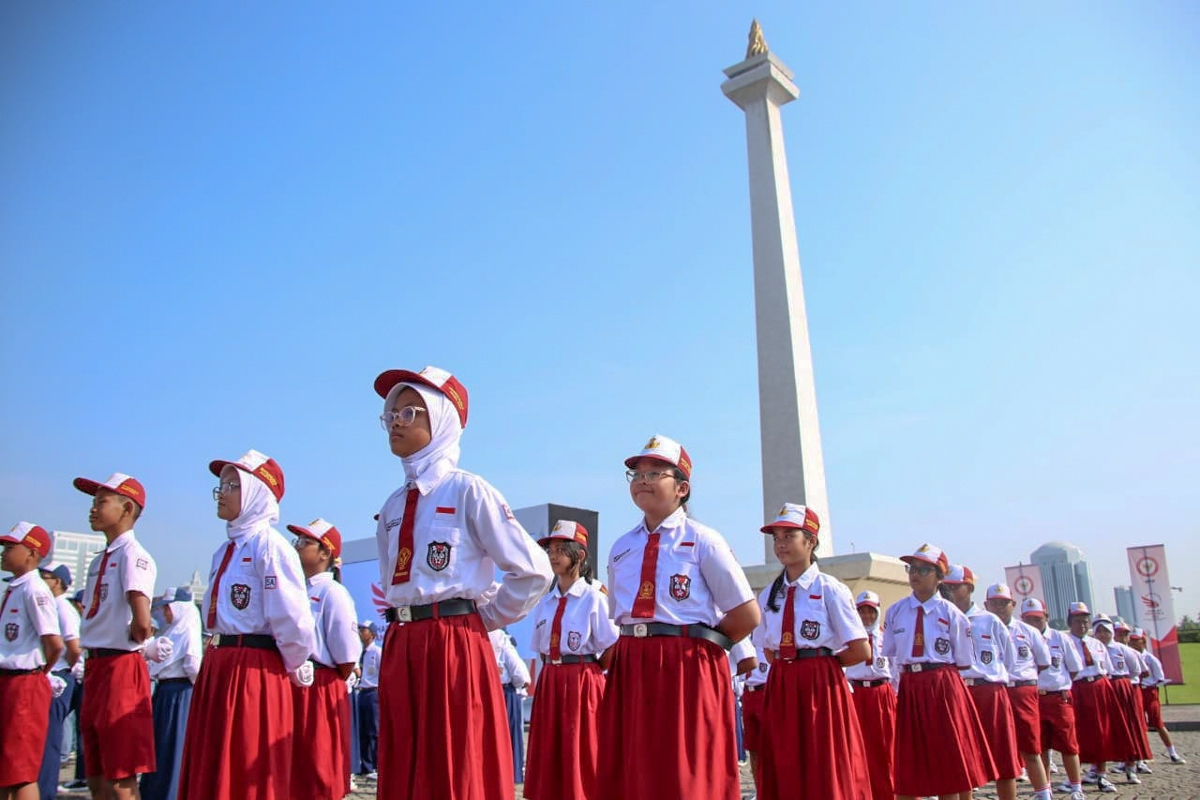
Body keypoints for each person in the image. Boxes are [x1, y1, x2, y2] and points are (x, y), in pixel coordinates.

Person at [371, 366, 552, 799]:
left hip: (452, 643)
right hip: (402, 643)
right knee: (403, 762)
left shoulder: (469, 491)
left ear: (442, 420)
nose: (396, 421)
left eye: (410, 412)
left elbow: (532, 570)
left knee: (455, 761)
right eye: (391, 414)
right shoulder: (393, 504)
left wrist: (481, 620)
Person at [598, 435, 759, 800]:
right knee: (633, 766)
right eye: (636, 473)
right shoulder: (621, 547)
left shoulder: (704, 540)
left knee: (686, 770)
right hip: (632, 663)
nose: (643, 480)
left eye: (656, 472)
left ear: (682, 487)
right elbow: (617, 616)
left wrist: (701, 647)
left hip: (687, 663)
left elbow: (746, 613)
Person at [178, 449, 316, 800]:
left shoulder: (271, 547)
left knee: (244, 766)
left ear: (257, 492)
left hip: (253, 667)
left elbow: (293, 620)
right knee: (212, 765)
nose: (221, 493)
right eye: (221, 485)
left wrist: (292, 663)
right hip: (219, 665)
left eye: (232, 485)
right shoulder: (224, 550)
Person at [756, 503, 870, 799]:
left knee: (825, 761)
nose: (780, 544)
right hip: (782, 684)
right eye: (776, 538)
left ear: (810, 541)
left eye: (789, 536)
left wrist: (823, 665)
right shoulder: (769, 594)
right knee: (785, 760)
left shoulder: (830, 588)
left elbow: (860, 648)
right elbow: (767, 647)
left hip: (821, 684)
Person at [882, 544, 995, 800]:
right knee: (910, 760)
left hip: (943, 686)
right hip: (911, 685)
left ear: (939, 577)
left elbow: (963, 658)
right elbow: (891, 652)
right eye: (912, 568)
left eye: (924, 569)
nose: (915, 574)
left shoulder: (951, 613)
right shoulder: (895, 612)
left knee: (949, 758)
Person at [73, 472, 159, 800]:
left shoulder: (132, 556)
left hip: (120, 667)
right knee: (95, 771)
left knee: (121, 775)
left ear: (126, 509)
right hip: (96, 666)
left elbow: (141, 622)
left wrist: (138, 633)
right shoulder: (101, 559)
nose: (93, 509)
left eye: (101, 502)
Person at [524, 520, 618, 800]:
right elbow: (541, 648)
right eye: (550, 549)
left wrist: (591, 670)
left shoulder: (594, 596)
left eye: (561, 549)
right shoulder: (546, 600)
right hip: (551, 680)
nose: (553, 556)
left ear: (579, 555)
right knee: (551, 750)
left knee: (583, 748)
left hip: (582, 679)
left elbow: (613, 645)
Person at [288, 518, 362, 800]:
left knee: (317, 768)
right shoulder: (296, 589)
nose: (297, 547)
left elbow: (346, 655)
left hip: (320, 686)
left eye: (305, 543)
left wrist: (321, 675)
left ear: (324, 553)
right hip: (293, 683)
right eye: (298, 541)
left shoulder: (333, 593)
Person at [942, 567, 1020, 800]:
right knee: (961, 760)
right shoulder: (940, 617)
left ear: (970, 588)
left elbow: (1009, 659)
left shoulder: (989, 621)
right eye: (946, 587)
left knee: (1003, 759)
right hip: (957, 692)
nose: (950, 591)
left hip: (989, 692)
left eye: (955, 587)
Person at [1, 522, 64, 800]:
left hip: (24, 683)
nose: (4, 552)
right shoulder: (15, 588)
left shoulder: (34, 590)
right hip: (9, 683)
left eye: (10, 547)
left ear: (31, 553)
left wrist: (39, 672)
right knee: (5, 768)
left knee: (21, 770)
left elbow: (54, 643)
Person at [985, 584, 1053, 800]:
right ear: (986, 605)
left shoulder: (1028, 631)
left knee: (1031, 746)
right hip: (995, 691)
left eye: (1003, 603)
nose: (999, 607)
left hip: (1022, 690)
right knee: (1002, 747)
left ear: (1012, 604)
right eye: (994, 603)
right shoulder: (980, 628)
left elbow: (1044, 662)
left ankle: (1043, 793)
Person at [1019, 598, 1086, 800]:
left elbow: (1074, 668)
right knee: (1039, 747)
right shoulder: (1020, 637)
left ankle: (1076, 787)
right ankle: (1044, 788)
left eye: (1037, 619)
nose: (1032, 623)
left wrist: (1059, 685)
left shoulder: (1060, 638)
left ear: (1046, 617)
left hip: (1058, 698)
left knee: (1068, 745)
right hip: (1033, 698)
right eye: (1028, 619)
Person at [140, 587, 202, 800]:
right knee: (163, 744)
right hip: (169, 691)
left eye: (168, 607)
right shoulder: (174, 630)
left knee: (172, 746)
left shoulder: (187, 629)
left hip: (179, 692)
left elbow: (193, 664)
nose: (165, 613)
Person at [844, 589, 897, 800]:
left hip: (881, 693)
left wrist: (894, 695)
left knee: (886, 747)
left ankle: (889, 792)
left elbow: (897, 667)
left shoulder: (886, 637)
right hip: (856, 694)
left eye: (871, 612)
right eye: (862, 612)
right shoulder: (848, 639)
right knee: (858, 748)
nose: (867, 616)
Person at [36, 564, 82, 800]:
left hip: (59, 676)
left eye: (46, 577)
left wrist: (61, 671)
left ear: (58, 582)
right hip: (49, 674)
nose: (41, 581)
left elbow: (73, 648)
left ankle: (45, 790)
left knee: (50, 738)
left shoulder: (63, 609)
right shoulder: (47, 605)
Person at [1064, 602, 1120, 793]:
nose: (1082, 625)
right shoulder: (1064, 641)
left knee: (1101, 730)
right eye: (1078, 621)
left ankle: (1101, 774)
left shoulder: (1097, 644)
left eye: (1085, 621)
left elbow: (1108, 670)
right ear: (1070, 622)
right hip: (1076, 688)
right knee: (1075, 732)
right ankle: (1074, 777)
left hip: (1098, 686)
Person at [1093, 616, 1151, 784]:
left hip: (1121, 688)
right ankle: (1099, 772)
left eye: (1106, 631)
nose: (1103, 635)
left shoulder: (1123, 649)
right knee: (1102, 729)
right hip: (1101, 688)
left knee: (1128, 729)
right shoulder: (1092, 648)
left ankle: (1131, 768)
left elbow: (1135, 670)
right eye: (1099, 631)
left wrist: (1121, 684)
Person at [1128, 627, 1185, 764]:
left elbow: (1160, 677)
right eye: (1132, 641)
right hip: (1137, 691)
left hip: (1150, 691)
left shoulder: (1151, 659)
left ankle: (1172, 752)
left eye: (1137, 641)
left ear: (1143, 641)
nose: (1134, 643)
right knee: (1138, 723)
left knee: (1158, 722)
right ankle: (1141, 754)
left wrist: (1152, 686)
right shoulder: (1129, 655)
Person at [490, 627, 531, 783]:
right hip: (504, 692)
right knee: (510, 736)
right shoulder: (500, 636)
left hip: (481, 690)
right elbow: (520, 674)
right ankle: (512, 773)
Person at [741, 629, 770, 798]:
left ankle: (771, 788)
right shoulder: (743, 639)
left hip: (765, 692)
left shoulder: (767, 641)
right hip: (748, 693)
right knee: (752, 748)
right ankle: (759, 791)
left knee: (768, 746)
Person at [356, 620, 382, 779]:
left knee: (374, 730)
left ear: (372, 634)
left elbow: (384, 672)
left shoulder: (377, 652)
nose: (360, 633)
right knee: (363, 730)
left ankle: (375, 765)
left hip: (374, 693)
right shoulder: (359, 652)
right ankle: (365, 766)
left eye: (364, 630)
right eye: (360, 629)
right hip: (362, 692)